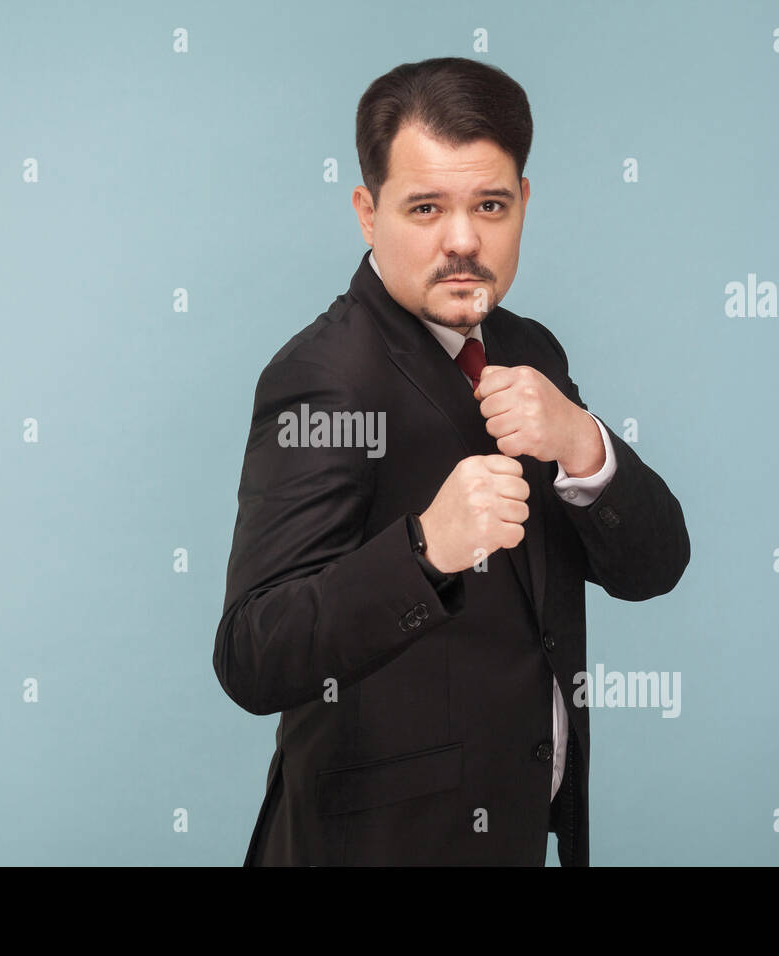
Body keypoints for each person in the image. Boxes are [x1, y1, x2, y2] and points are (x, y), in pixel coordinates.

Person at [213, 56, 690, 866]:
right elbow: (255, 654)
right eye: (425, 207)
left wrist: (585, 444)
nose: (464, 240)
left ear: (524, 206)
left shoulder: (530, 349)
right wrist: (426, 549)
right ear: (368, 213)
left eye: (490, 205)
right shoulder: (325, 380)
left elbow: (655, 566)